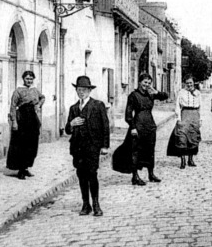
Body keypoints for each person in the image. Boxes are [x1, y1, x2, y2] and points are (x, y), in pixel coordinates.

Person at [65, 76, 109, 216]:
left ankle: (96, 204)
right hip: (78, 147)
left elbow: (105, 126)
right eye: (79, 90)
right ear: (76, 91)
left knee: (92, 174)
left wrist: (104, 146)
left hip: (92, 146)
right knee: (81, 175)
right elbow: (67, 129)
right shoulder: (73, 108)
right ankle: (86, 204)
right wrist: (71, 124)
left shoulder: (97, 105)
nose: (81, 92)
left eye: (84, 90)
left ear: (89, 91)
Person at [118, 72, 169, 185]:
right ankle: (135, 176)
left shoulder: (150, 94)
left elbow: (166, 96)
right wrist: (132, 127)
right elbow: (128, 114)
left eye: (149, 83)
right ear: (139, 82)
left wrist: (156, 91)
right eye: (145, 82)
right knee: (136, 151)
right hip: (138, 126)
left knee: (150, 150)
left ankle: (151, 174)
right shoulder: (133, 95)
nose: (146, 85)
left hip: (150, 126)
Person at [6, 70, 46, 180]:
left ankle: (27, 167)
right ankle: (21, 170)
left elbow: (43, 97)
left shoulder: (35, 91)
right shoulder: (18, 91)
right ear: (23, 79)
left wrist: (39, 105)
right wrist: (14, 121)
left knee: (32, 145)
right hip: (22, 119)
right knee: (22, 145)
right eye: (27, 78)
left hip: (33, 119)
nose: (29, 81)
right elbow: (13, 107)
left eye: (31, 79)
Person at [167, 77, 202, 169]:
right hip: (184, 114)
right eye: (187, 83)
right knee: (182, 137)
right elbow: (177, 106)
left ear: (194, 83)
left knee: (193, 137)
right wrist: (178, 118)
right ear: (184, 84)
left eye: (191, 83)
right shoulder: (181, 92)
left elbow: (200, 107)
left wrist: (200, 119)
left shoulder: (198, 93)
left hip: (195, 115)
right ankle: (183, 160)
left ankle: (190, 159)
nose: (189, 85)